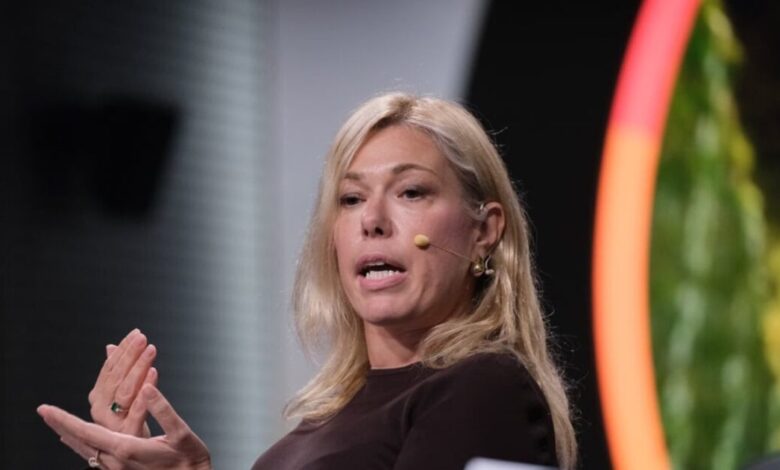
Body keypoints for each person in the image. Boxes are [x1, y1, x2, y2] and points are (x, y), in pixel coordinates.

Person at [37, 92, 578, 469]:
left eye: (411, 192)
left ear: (485, 231)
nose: (372, 220)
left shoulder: (484, 389)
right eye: (351, 198)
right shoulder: (326, 420)